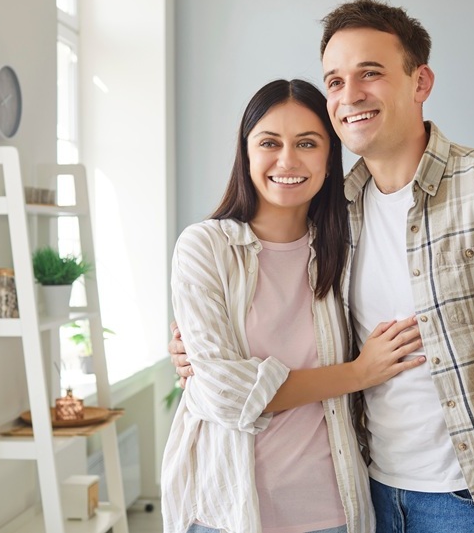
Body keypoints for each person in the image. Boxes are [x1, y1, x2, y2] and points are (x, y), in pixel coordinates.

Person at [172, 0, 474, 533]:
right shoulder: (337, 216)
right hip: (370, 493)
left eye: (371, 73)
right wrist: (192, 349)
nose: (350, 94)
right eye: (334, 81)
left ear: (420, 81)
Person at [160, 78, 426, 533]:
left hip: (335, 510)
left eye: (307, 143)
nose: (287, 160)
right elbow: (224, 393)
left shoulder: (348, 247)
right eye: (269, 142)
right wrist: (358, 372)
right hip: (226, 511)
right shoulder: (204, 247)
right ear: (246, 153)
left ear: (329, 157)